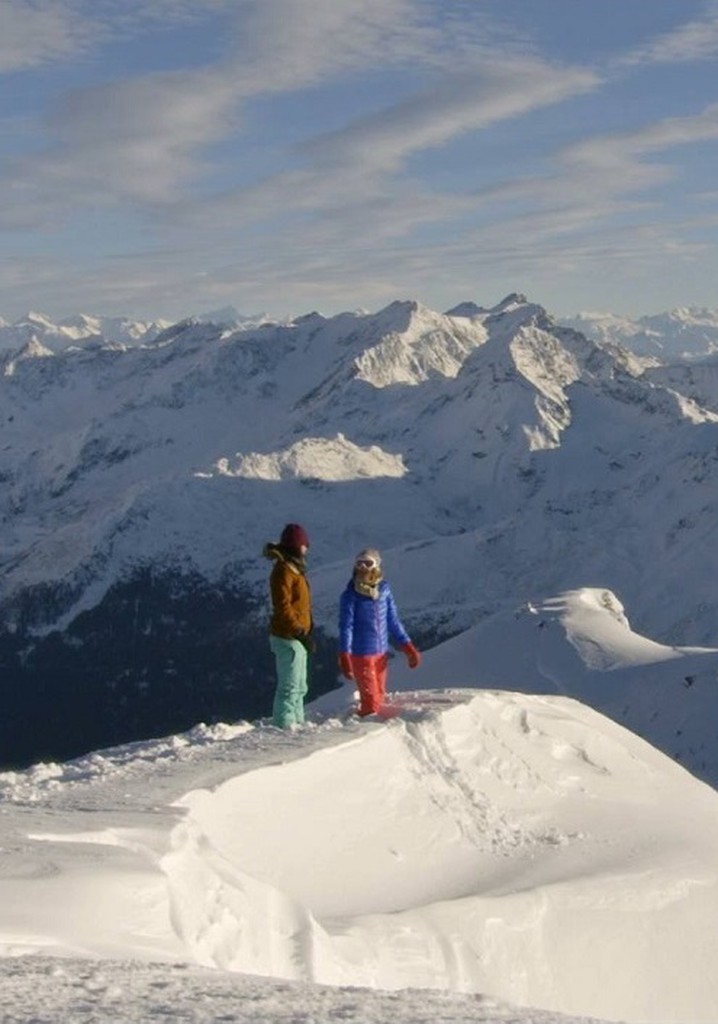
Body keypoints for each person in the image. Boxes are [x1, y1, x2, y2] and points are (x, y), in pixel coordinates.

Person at [338, 547, 421, 716]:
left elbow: (393, 620)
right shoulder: (350, 596)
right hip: (361, 654)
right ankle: (363, 730)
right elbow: (346, 626)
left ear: (376, 565)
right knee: (371, 703)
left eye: (368, 563)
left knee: (380, 695)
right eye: (359, 563)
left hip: (381, 654)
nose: (363, 567)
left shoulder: (384, 590)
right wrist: (345, 654)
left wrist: (408, 647)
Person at [263, 523, 314, 728]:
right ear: (296, 546)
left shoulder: (296, 569)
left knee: (300, 686)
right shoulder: (284, 571)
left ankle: (297, 722)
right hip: (287, 637)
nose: (306, 550)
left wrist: (308, 628)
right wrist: (299, 631)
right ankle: (284, 726)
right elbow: (283, 606)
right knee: (289, 686)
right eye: (303, 545)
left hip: (297, 635)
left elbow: (300, 604)